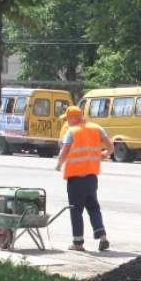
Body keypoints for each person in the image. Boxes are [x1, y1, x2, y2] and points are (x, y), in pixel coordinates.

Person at [55, 106, 113, 251]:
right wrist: (105, 154)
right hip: (91, 177)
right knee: (93, 207)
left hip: (76, 179)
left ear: (73, 118)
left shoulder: (72, 131)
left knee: (76, 210)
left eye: (67, 119)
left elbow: (64, 151)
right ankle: (102, 237)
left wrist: (59, 164)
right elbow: (111, 147)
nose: (67, 122)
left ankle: (78, 243)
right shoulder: (97, 128)